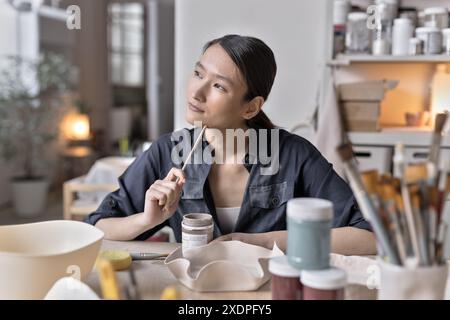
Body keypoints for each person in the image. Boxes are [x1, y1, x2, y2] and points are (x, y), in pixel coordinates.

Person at [85, 34, 376, 255]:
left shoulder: (294, 156)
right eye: (198, 73)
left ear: (251, 107)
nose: (196, 93)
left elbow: (368, 236)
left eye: (219, 86)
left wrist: (256, 242)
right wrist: (146, 220)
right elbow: (98, 227)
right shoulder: (167, 152)